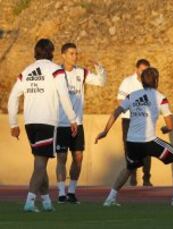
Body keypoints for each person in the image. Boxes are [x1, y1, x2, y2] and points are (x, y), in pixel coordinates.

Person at [95, 67, 173, 206]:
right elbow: (170, 126)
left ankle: (110, 198)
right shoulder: (160, 97)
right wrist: (165, 129)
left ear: (142, 81)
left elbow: (116, 112)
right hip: (149, 142)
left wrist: (105, 132)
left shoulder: (132, 96)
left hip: (132, 142)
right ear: (156, 80)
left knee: (129, 168)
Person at [7, 39, 77, 212]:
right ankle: (29, 202)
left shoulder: (27, 71)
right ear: (52, 52)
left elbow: (13, 97)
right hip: (46, 122)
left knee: (40, 162)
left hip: (30, 122)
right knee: (40, 164)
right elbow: (64, 96)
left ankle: (46, 202)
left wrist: (13, 123)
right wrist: (72, 119)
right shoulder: (56, 71)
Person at [56, 43, 107, 204]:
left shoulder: (81, 72)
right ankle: (61, 193)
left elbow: (101, 81)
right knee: (62, 157)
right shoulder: (56, 73)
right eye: (71, 53)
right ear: (63, 55)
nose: (74, 56)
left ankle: (71, 192)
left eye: (76, 54)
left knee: (78, 157)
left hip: (78, 123)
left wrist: (100, 68)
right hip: (61, 123)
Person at [117, 59, 152, 186]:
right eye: (142, 70)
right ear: (136, 69)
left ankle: (146, 178)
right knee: (129, 148)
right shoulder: (127, 82)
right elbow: (120, 101)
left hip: (145, 120)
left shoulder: (150, 83)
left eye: (146, 70)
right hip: (129, 119)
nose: (144, 73)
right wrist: (135, 108)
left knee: (147, 148)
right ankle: (132, 176)